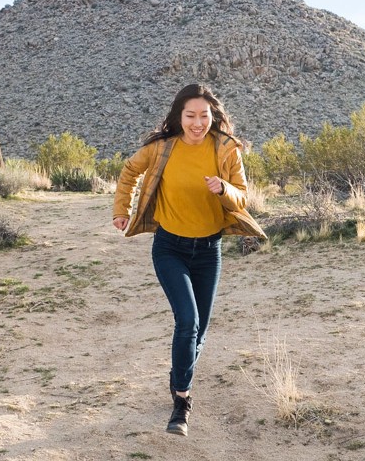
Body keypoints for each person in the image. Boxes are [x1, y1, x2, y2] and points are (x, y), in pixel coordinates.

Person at [111, 83, 266, 436]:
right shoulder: (162, 148)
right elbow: (129, 172)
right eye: (190, 115)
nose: (197, 123)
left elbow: (242, 196)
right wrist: (122, 210)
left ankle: (177, 375)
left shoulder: (226, 150)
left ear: (213, 117)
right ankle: (182, 401)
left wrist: (224, 189)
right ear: (178, 117)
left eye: (204, 116)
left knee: (200, 332)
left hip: (209, 251)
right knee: (188, 322)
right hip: (170, 248)